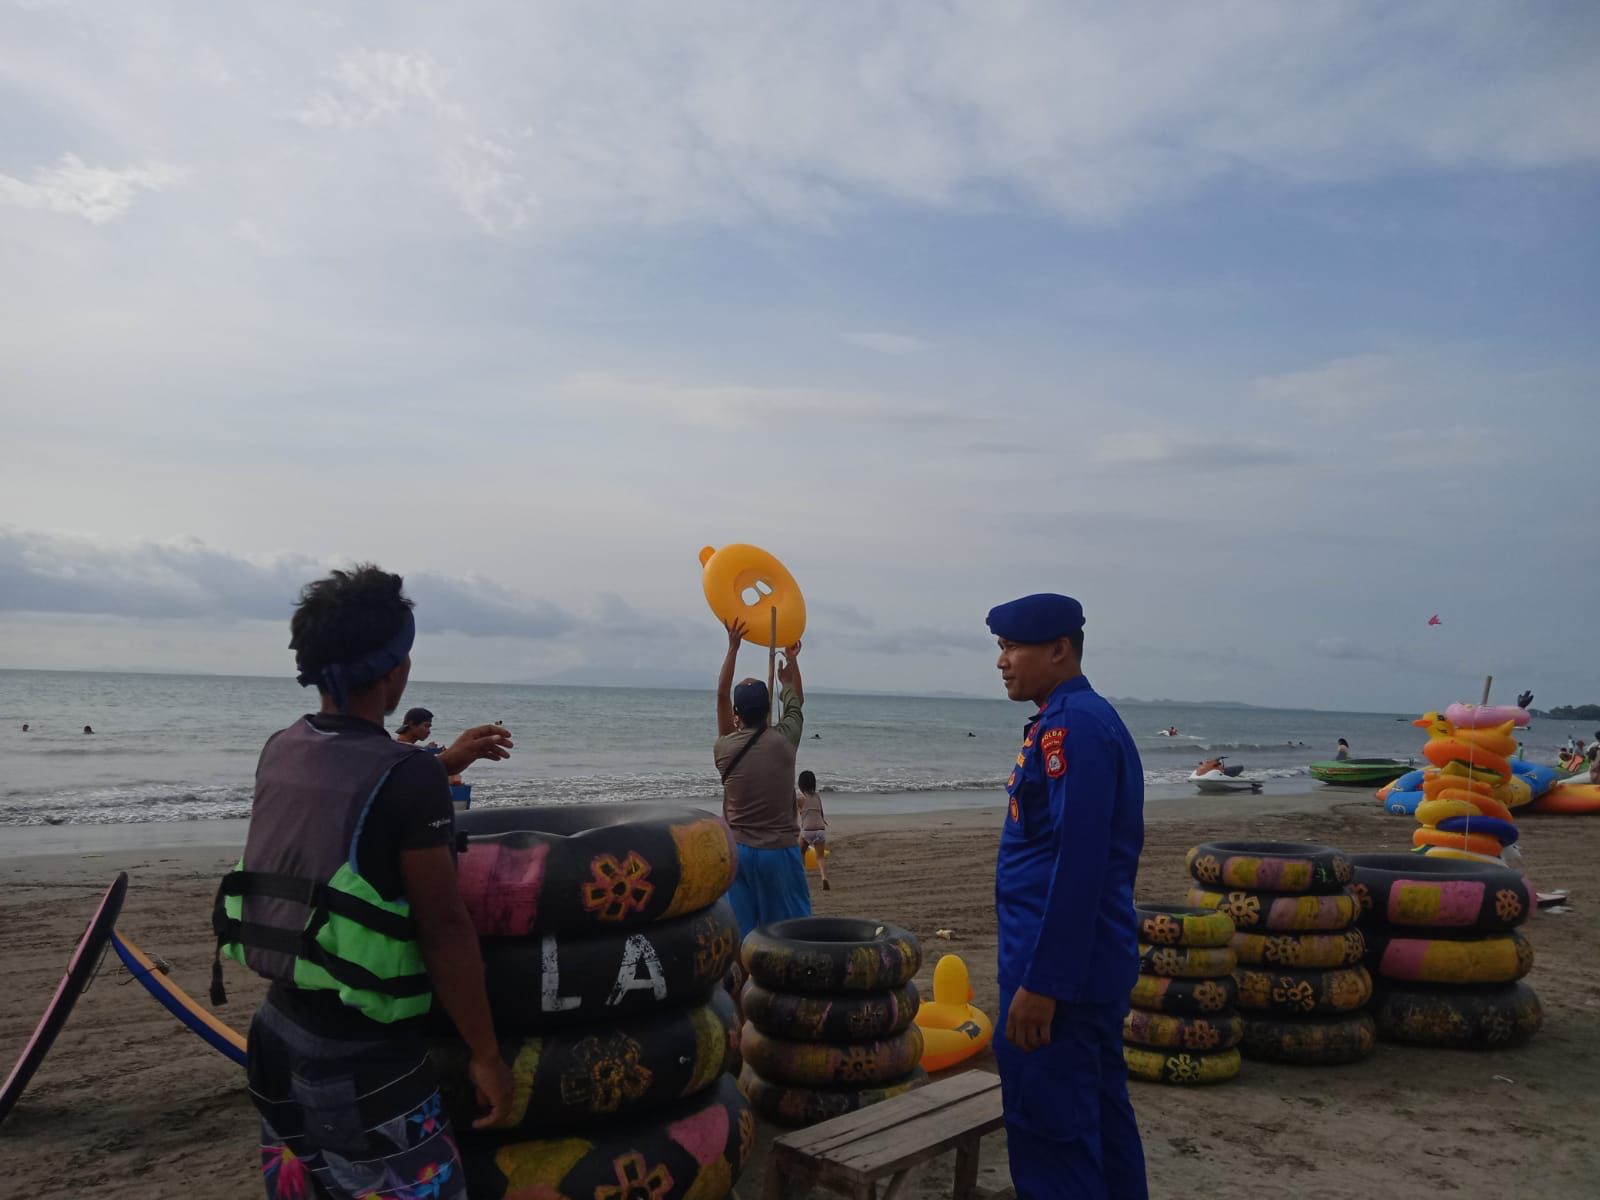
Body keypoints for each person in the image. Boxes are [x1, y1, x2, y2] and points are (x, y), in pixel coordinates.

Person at [212, 565, 515, 1200]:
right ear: (395, 670)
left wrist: (442, 762)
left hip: (274, 1039)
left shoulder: (281, 747)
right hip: (363, 1065)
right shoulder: (409, 776)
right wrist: (484, 1053)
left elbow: (349, 797)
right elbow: (444, 928)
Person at [987, 593, 1147, 1200]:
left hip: (1056, 980)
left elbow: (1080, 862)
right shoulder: (1075, 718)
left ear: (1059, 650)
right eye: (999, 649)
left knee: (1051, 1134)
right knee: (1101, 1124)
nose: (1002, 661)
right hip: (1085, 968)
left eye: (1012, 648)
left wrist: (1044, 984)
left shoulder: (1072, 728)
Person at [714, 617, 809, 938]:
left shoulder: (724, 747)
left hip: (737, 852)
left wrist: (733, 647)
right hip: (778, 852)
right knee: (789, 933)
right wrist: (790, 666)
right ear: (767, 711)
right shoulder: (785, 741)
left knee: (742, 935)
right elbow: (797, 703)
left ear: (737, 715)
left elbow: (721, 696)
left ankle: (743, 986)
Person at [795, 769, 829, 891]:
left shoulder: (800, 799)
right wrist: (823, 820)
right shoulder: (817, 796)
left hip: (807, 830)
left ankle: (802, 878)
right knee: (820, 857)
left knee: (801, 853)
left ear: (800, 785)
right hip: (820, 829)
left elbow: (792, 813)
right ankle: (824, 878)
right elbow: (821, 812)